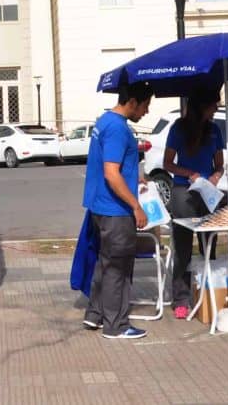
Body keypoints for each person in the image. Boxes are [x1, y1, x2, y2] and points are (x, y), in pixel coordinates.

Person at [81, 81, 153, 339]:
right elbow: (111, 173)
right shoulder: (117, 129)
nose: (145, 112)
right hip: (116, 211)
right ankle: (117, 325)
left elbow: (114, 167)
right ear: (132, 101)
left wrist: (135, 179)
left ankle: (96, 314)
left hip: (101, 206)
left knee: (105, 263)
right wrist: (135, 206)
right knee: (118, 269)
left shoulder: (104, 121)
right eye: (145, 106)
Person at [163, 89, 226, 320]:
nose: (217, 109)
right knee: (182, 247)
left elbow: (219, 164)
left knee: (210, 243)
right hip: (184, 191)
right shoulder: (178, 128)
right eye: (214, 105)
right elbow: (168, 163)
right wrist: (190, 173)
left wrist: (215, 176)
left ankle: (208, 292)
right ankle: (180, 298)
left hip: (209, 193)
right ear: (201, 105)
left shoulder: (215, 130)